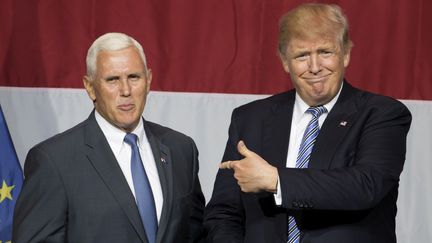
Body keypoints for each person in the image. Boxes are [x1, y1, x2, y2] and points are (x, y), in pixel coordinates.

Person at [204, 3, 411, 243]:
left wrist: (276, 180)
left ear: (345, 54)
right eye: (302, 55)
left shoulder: (382, 113)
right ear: (284, 61)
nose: (315, 67)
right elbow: (223, 213)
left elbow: (366, 185)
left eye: (325, 52)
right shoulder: (250, 119)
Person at [13, 32, 205, 243]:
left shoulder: (180, 149)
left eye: (134, 77)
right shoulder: (54, 161)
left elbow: (194, 233)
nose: (125, 90)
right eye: (112, 80)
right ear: (90, 87)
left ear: (148, 80)